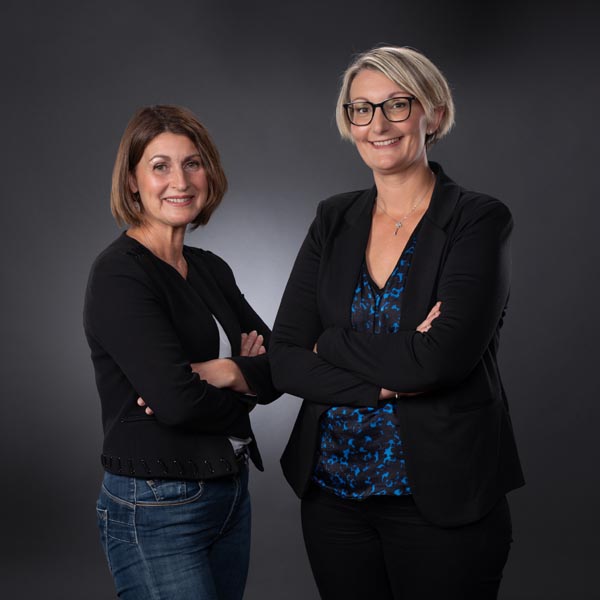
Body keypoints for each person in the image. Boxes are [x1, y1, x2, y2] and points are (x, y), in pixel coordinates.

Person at [269, 46, 524, 600]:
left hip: (442, 498)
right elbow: (285, 356)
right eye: (360, 108)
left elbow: (442, 359)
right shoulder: (333, 217)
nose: (377, 124)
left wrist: (330, 342)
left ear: (432, 114)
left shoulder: (477, 218)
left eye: (397, 105)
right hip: (333, 497)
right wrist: (393, 368)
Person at [83, 105, 279, 600]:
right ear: (132, 181)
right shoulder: (120, 274)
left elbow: (279, 364)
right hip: (156, 503)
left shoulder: (210, 267)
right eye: (160, 166)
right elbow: (175, 401)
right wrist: (242, 379)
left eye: (193, 163)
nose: (181, 180)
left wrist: (222, 371)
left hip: (230, 492)